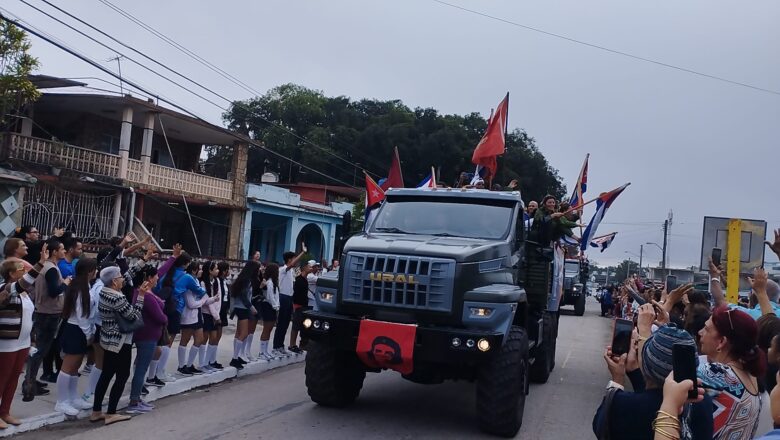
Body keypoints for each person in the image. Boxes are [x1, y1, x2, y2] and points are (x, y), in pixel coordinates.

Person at [593, 304, 713, 440]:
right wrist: (634, 371)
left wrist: (617, 380)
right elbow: (650, 393)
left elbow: (600, 427)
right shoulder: (702, 402)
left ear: (645, 363)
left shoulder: (622, 404)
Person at [697, 306, 764, 439]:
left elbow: (661, 378)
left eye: (706, 329)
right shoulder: (751, 376)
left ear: (722, 341)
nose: (700, 332)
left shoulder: (718, 374)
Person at [0, 249, 47, 429]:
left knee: (13, 379)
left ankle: (5, 412)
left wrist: (32, 341)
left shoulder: (25, 294)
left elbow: (29, 318)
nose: (25, 272)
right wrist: (40, 263)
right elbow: (22, 284)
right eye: (21, 269)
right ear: (12, 274)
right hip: (7, 343)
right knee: (2, 378)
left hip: (22, 342)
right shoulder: (6, 289)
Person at [91, 265, 144, 425]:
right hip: (120, 341)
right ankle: (112, 412)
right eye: (119, 276)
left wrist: (142, 261)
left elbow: (127, 276)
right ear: (114, 281)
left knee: (106, 374)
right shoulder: (118, 297)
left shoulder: (104, 291)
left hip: (107, 338)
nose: (123, 278)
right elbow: (134, 315)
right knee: (122, 375)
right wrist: (141, 296)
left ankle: (96, 411)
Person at [22, 237, 71, 401]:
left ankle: (31, 380)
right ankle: (29, 385)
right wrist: (65, 283)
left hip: (45, 312)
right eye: (62, 249)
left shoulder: (50, 267)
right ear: (54, 252)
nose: (64, 251)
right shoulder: (50, 269)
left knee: (41, 349)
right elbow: (53, 291)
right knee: (40, 350)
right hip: (48, 314)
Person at [54, 257, 98, 416]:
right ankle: (61, 401)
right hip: (75, 329)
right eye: (95, 269)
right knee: (67, 367)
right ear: (89, 271)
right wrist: (88, 334)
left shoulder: (85, 286)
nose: (96, 271)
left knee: (75, 367)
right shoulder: (79, 289)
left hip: (80, 329)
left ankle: (73, 397)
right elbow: (81, 315)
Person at [127, 267, 166, 414]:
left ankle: (136, 398)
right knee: (141, 368)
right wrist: (165, 317)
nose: (158, 278)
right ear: (149, 278)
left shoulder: (142, 293)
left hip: (145, 335)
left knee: (140, 366)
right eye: (156, 276)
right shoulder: (146, 296)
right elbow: (160, 317)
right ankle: (134, 401)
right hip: (147, 336)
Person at [178, 262, 217, 375]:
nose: (201, 271)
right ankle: (181, 366)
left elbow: (204, 299)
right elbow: (191, 304)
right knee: (184, 341)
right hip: (188, 316)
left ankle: (189, 365)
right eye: (199, 269)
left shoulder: (196, 282)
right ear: (194, 271)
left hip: (197, 316)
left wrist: (213, 299)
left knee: (199, 340)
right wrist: (204, 301)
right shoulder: (188, 283)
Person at [273, 245, 306, 357]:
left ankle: (280, 345)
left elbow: (299, 276)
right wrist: (303, 252)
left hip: (289, 298)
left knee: (286, 323)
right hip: (283, 297)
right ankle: (276, 346)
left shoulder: (292, 272)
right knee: (281, 322)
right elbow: (291, 265)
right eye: (294, 259)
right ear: (289, 260)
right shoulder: (283, 269)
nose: (295, 261)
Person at [229, 261, 261, 369]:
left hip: (240, 307)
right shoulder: (246, 281)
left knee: (239, 334)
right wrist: (251, 307)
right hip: (243, 308)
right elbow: (244, 296)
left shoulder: (242, 279)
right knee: (244, 333)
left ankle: (236, 357)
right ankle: (234, 358)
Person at [199, 261, 223, 371]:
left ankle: (208, 362)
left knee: (214, 338)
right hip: (206, 313)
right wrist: (215, 315)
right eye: (216, 269)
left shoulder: (217, 281)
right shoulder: (203, 283)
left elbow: (218, 300)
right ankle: (201, 364)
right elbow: (206, 301)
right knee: (204, 339)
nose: (218, 270)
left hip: (215, 314)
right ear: (209, 270)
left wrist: (217, 315)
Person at [259, 263, 281, 361]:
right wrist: (275, 306)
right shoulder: (269, 283)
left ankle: (266, 350)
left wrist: (277, 305)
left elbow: (277, 296)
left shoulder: (275, 282)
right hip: (268, 306)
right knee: (266, 329)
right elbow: (270, 296)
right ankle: (262, 351)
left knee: (270, 329)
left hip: (274, 307)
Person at [290, 262, 312, 353]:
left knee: (305, 325)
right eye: (309, 267)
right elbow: (295, 294)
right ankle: (292, 344)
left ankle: (302, 344)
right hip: (298, 305)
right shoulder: (299, 279)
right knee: (296, 326)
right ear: (304, 268)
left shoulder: (305, 279)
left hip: (305, 305)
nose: (310, 268)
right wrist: (295, 305)